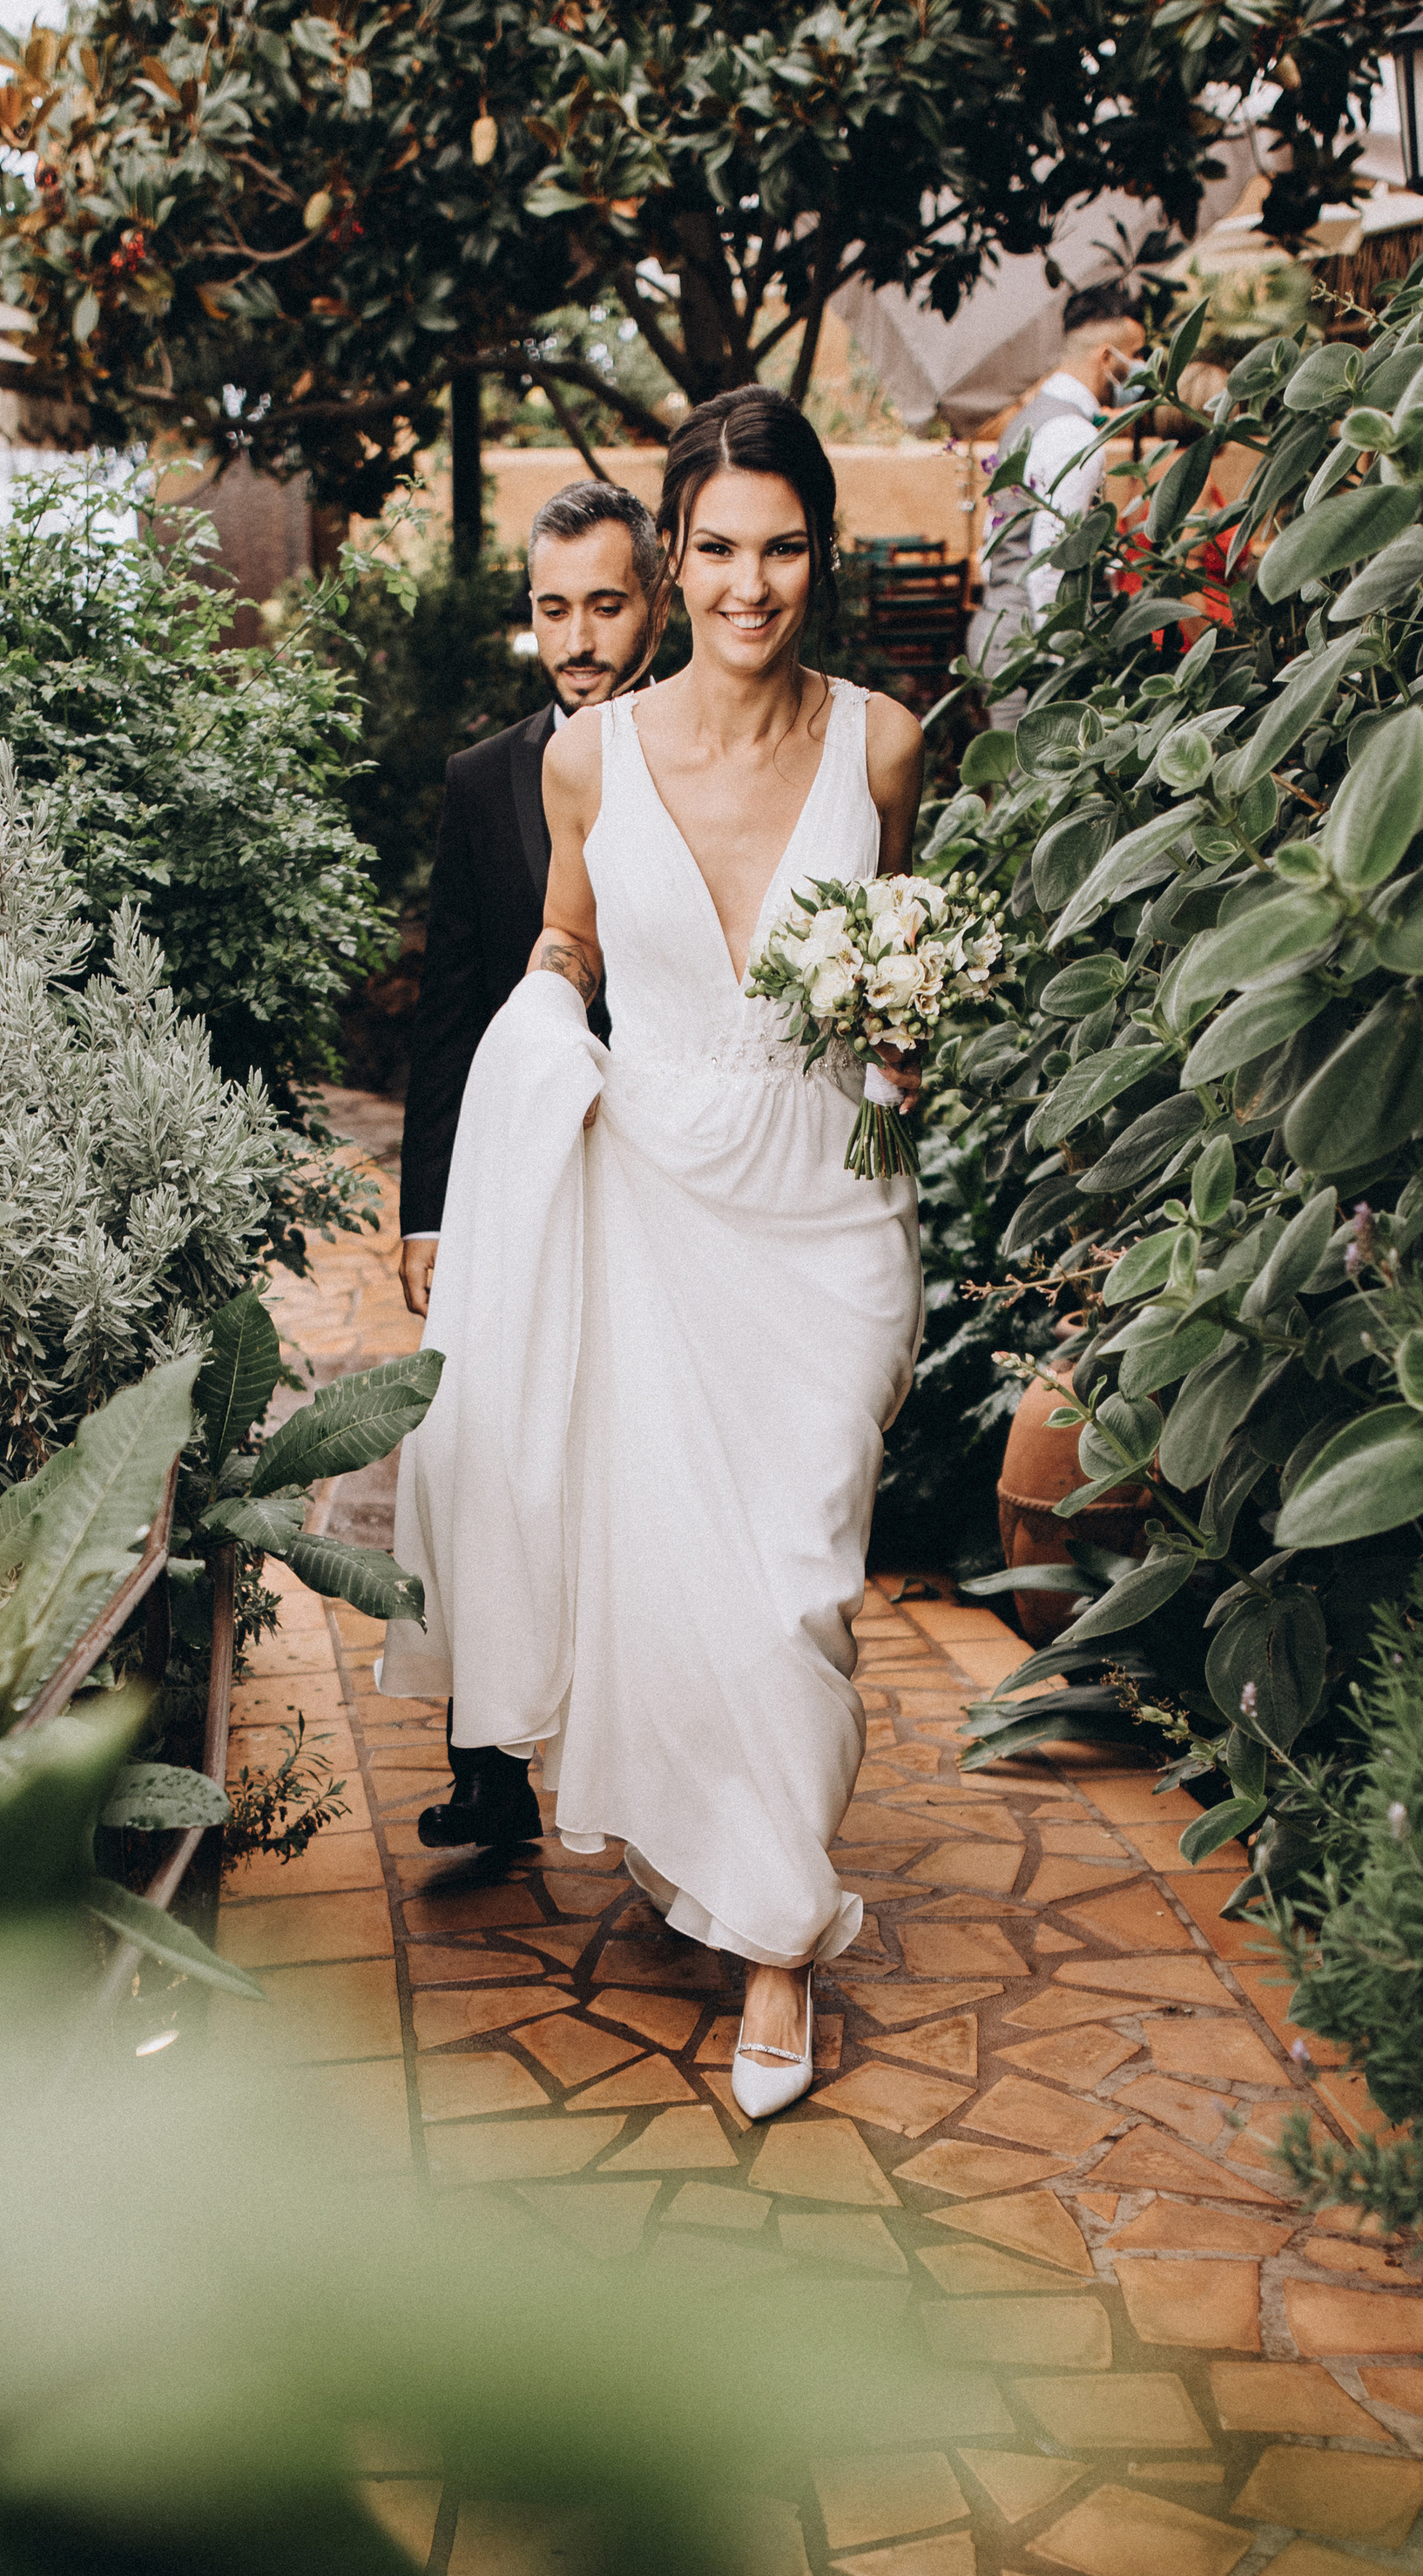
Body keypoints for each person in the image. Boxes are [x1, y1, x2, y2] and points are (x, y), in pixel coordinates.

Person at [381, 387, 926, 2125]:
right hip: (657, 1192)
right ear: (669, 552)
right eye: (713, 549)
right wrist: (541, 1050)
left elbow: (898, 951)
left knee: (796, 1570)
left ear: (816, 554)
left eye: (779, 549)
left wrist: (910, 1033)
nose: (746, 586)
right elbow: (559, 941)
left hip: (829, 1215)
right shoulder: (583, 758)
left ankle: (766, 1903)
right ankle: (763, 1916)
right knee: (686, 1573)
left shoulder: (887, 745)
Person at [397, 477, 664, 1851]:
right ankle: (489, 1765)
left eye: (604, 604)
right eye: (553, 609)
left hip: (669, 1164)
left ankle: (651, 1756)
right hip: (514, 1167)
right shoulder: (481, 781)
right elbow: (449, 1005)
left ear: (656, 601)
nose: (577, 636)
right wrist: (429, 1210)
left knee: (629, 1458)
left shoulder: (703, 754)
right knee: (481, 1442)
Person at [966, 285, 1146, 723]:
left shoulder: (1028, 419)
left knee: (1014, 782)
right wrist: (1062, 659)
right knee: (1038, 785)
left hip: (998, 626)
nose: (1140, 370)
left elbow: (996, 540)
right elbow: (1054, 558)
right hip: (1032, 643)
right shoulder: (1073, 435)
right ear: (1107, 358)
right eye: (1135, 356)